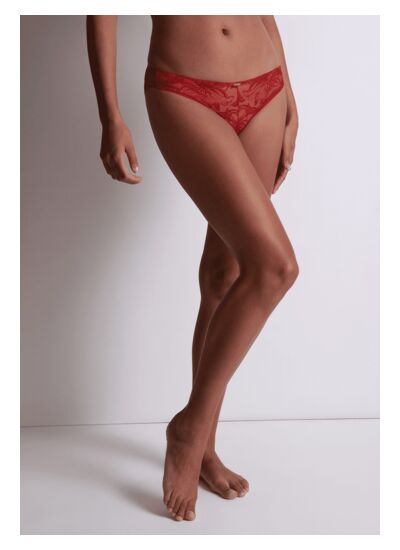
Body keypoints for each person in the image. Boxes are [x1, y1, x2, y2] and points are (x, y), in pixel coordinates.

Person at [86, 15, 299, 523]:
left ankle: (205, 449)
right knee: (275, 268)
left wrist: (290, 95)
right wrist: (110, 115)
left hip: (266, 86)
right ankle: (189, 429)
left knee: (226, 275)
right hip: (184, 89)